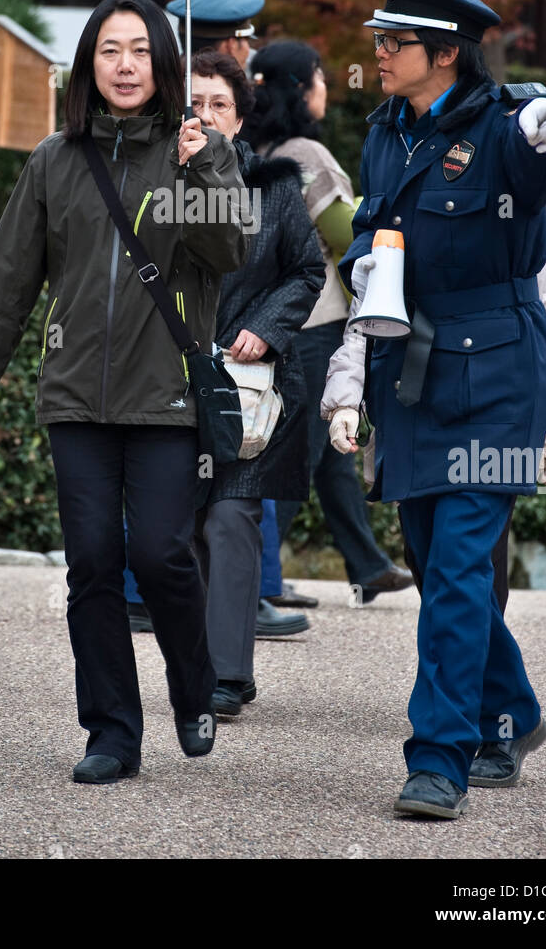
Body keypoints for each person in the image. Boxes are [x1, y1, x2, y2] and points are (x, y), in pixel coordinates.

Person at [0, 0, 250, 785]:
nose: (125, 64)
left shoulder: (195, 152)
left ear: (163, 62)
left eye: (139, 49)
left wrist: (199, 163)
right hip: (75, 400)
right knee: (93, 562)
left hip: (165, 395)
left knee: (164, 553)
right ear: (88, 64)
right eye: (109, 50)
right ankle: (111, 733)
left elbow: (229, 249)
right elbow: (1, 295)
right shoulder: (54, 161)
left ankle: (194, 688)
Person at [322, 0, 546, 819]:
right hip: (414, 366)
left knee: (464, 568)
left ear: (442, 54)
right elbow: (369, 227)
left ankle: (439, 757)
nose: (378, 56)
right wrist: (366, 262)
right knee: (439, 569)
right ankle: (513, 710)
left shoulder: (507, 127)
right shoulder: (386, 130)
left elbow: (545, 154)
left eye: (391, 44)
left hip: (499, 371)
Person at [242, 39, 414, 602]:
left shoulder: (254, 149)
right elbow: (347, 236)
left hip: (271, 318)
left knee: (328, 454)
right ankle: (257, 581)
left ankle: (367, 565)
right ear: (299, 88)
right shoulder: (306, 156)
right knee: (300, 452)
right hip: (315, 324)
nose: (325, 86)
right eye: (317, 75)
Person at [187, 51, 326, 714]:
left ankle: (226, 674)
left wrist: (267, 326)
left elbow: (306, 270)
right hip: (164, 378)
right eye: (192, 103)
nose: (203, 115)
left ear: (240, 119)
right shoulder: (151, 187)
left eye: (217, 104)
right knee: (174, 527)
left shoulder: (274, 188)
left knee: (231, 516)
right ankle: (194, 657)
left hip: (246, 384)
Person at [167, 0, 263, 77]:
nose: (249, 50)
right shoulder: (239, 90)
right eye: (246, 40)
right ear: (231, 45)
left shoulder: (166, 84)